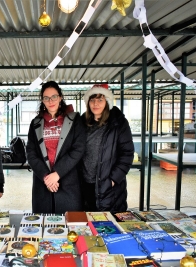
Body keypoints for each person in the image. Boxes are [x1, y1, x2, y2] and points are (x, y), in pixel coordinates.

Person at [26, 81, 86, 214]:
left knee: (69, 227)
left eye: (54, 96)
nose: (50, 101)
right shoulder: (36, 123)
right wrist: (46, 177)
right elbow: (31, 153)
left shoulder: (74, 120)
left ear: (60, 97)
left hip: (68, 184)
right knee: (44, 226)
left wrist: (57, 173)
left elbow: (78, 149)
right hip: (44, 184)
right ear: (42, 100)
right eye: (46, 98)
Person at [80, 84, 134, 212]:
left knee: (108, 223)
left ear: (107, 102)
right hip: (86, 182)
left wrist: (114, 178)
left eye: (100, 99)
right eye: (92, 100)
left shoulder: (118, 123)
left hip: (107, 184)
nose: (95, 103)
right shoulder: (82, 122)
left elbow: (127, 153)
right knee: (88, 221)